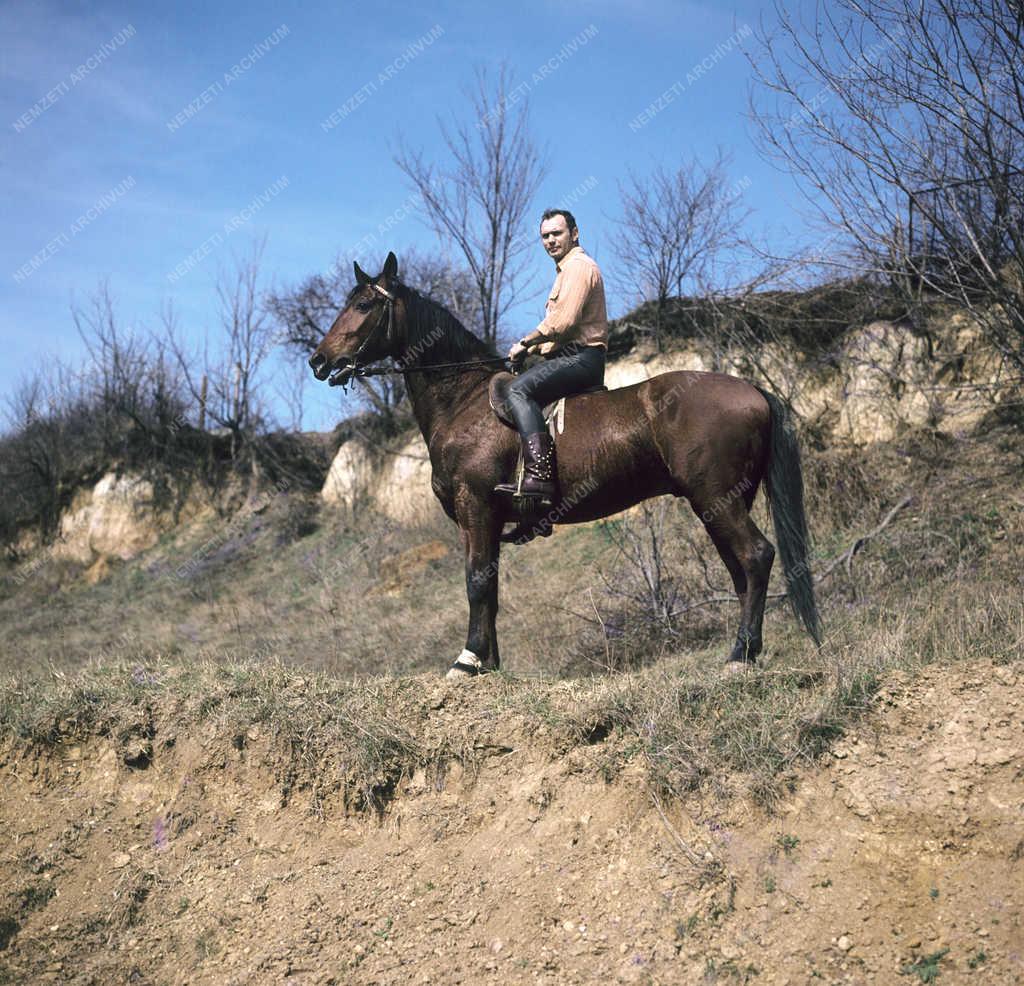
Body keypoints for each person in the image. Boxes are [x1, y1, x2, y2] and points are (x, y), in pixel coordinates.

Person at [493, 208, 608, 502]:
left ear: (575, 233)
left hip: (582, 358)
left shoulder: (579, 268)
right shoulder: (565, 271)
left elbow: (563, 323)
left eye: (557, 233)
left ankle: (540, 476)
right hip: (567, 357)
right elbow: (558, 333)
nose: (550, 241)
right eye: (545, 236)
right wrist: (531, 350)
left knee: (516, 391)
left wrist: (524, 342)